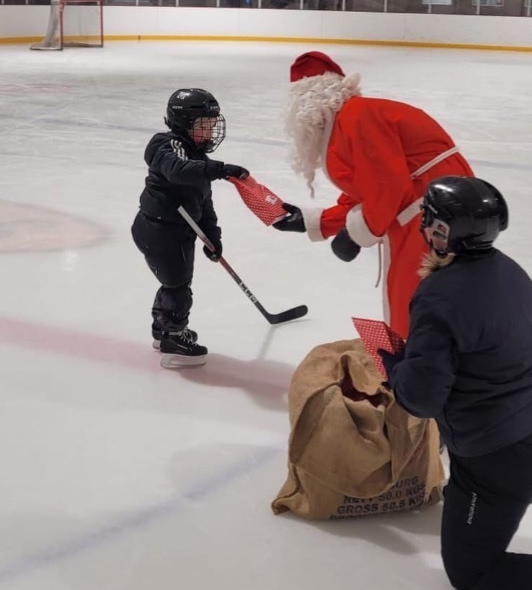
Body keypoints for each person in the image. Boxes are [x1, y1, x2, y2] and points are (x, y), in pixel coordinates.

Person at [379, 176, 532, 590]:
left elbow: (422, 398)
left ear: (443, 230)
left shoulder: (439, 295)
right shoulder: (509, 268)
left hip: (495, 459)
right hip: (522, 424)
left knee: (472, 572)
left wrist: (396, 368)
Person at [273, 51, 473, 337]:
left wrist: (356, 235)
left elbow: (388, 188)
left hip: (427, 206)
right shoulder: (348, 119)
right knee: (431, 290)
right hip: (436, 201)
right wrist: (314, 222)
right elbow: (368, 191)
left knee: (409, 290)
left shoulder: (356, 118)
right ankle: (429, 363)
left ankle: (412, 367)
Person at [132, 88, 249, 367]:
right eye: (203, 126)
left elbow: (203, 202)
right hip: (159, 232)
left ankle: (163, 330)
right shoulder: (167, 145)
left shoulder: (196, 155)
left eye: (211, 125)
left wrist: (213, 236)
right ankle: (173, 336)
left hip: (175, 231)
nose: (210, 132)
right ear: (183, 123)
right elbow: (178, 170)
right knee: (179, 287)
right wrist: (222, 169)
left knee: (173, 283)